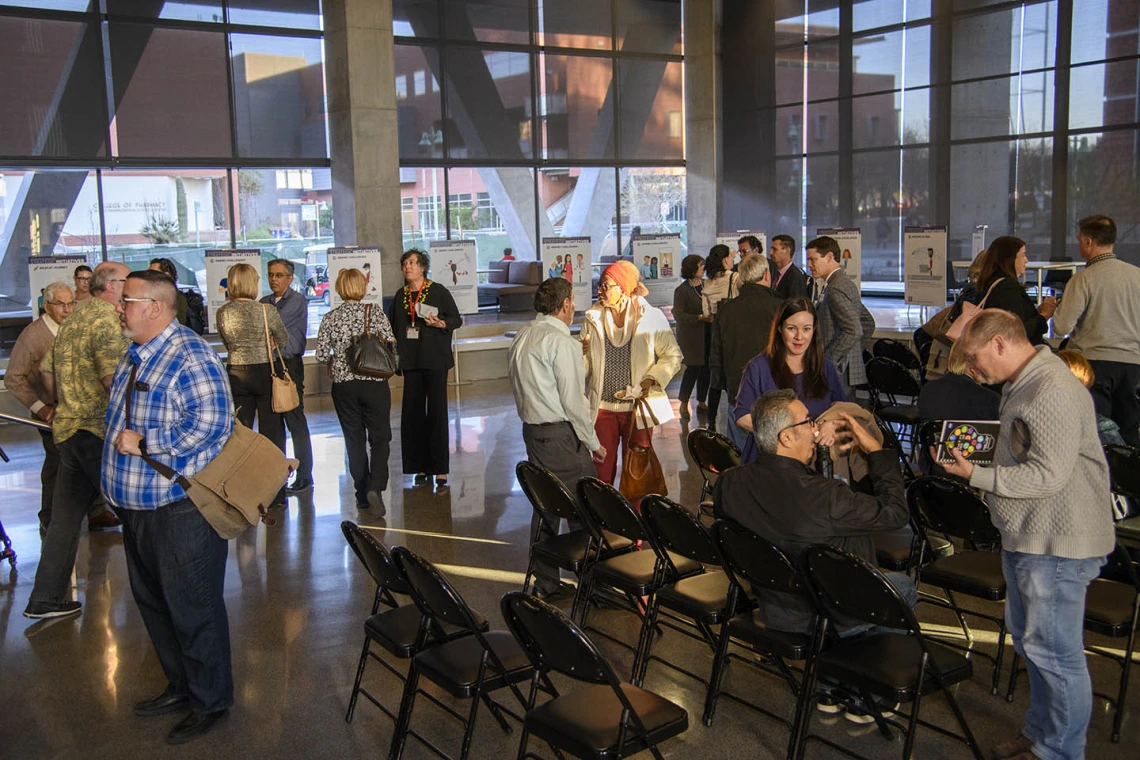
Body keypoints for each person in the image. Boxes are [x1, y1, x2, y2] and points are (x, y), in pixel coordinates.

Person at [938, 310, 1115, 760]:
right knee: (1034, 643)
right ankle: (1041, 735)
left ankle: (1059, 750)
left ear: (1000, 342)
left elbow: (1048, 476)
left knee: (1055, 652)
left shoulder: (1052, 388)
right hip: (1030, 535)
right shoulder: (1024, 382)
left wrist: (979, 476)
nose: (972, 371)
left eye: (976, 358)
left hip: (1058, 540)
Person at [714, 388, 915, 721]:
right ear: (788, 436)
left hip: (775, 605)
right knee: (901, 587)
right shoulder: (825, 498)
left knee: (834, 567)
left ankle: (831, 684)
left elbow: (788, 509)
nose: (816, 427)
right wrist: (877, 451)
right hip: (828, 614)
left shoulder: (730, 484)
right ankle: (869, 690)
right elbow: (895, 513)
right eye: (808, 422)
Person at [102, 269, 235, 746]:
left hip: (178, 509)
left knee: (192, 608)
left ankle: (211, 701)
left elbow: (212, 423)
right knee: (156, 605)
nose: (121, 308)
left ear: (155, 308)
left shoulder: (190, 354)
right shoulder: (136, 351)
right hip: (138, 508)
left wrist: (146, 443)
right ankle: (182, 686)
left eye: (128, 301)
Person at [23, 262, 130, 619]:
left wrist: (63, 403)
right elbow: (112, 381)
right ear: (112, 286)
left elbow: (46, 371)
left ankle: (46, 598)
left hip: (66, 431)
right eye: (127, 282)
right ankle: (159, 597)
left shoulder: (72, 323)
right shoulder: (105, 323)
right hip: (94, 432)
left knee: (64, 521)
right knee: (136, 514)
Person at [508, 278, 607, 598]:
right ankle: (594, 583)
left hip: (532, 433)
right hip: (560, 436)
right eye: (573, 300)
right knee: (585, 506)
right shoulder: (560, 342)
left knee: (546, 504)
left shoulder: (524, 335)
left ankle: (547, 581)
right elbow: (573, 401)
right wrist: (594, 443)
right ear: (565, 305)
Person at [4, 281, 119, 534]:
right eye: (60, 304)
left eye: (71, 303)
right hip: (52, 414)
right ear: (47, 306)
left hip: (86, 412)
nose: (67, 309)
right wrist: (41, 408)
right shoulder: (33, 336)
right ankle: (50, 517)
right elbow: (13, 377)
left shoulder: (78, 329)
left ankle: (97, 512)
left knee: (91, 459)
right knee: (57, 466)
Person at [582, 260, 681, 486]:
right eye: (600, 285)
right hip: (603, 408)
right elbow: (585, 364)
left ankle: (634, 518)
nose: (600, 290)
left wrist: (651, 378)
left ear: (623, 288)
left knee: (636, 472)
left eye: (606, 285)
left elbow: (672, 355)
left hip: (637, 408)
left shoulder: (650, 316)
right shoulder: (592, 317)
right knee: (601, 470)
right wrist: (580, 355)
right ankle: (602, 518)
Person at [1053, 214, 1140, 446]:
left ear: (1089, 242)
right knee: (1130, 434)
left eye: (1080, 238)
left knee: (1097, 434)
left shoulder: (1084, 279)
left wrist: (1055, 309)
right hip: (1133, 366)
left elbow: (1061, 327)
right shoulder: (1137, 275)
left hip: (1094, 365)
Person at [316, 268, 395, 513]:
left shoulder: (330, 317)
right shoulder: (375, 312)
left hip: (344, 386)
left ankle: (361, 494)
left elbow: (320, 354)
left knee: (355, 440)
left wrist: (335, 359)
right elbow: (391, 343)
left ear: (339, 288)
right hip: (374, 384)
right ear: (362, 288)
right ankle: (376, 486)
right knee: (380, 438)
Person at [733, 297, 847, 463]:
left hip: (814, 463)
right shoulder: (758, 367)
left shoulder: (826, 368)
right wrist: (787, 437)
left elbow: (843, 409)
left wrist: (832, 425)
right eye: (792, 328)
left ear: (814, 330)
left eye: (806, 329)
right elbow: (742, 415)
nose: (799, 337)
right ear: (779, 328)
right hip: (769, 464)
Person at [215, 263, 288, 506]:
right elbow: (283, 340)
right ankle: (277, 493)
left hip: (236, 372)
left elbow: (226, 342)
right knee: (272, 433)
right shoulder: (267, 311)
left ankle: (241, 490)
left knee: (240, 433)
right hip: (264, 372)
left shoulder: (223, 313)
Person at [389, 249, 462, 490]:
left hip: (434, 358)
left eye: (412, 263)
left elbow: (455, 319)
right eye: (404, 263)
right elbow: (393, 326)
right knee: (412, 414)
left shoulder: (438, 291)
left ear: (422, 268)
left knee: (437, 413)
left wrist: (441, 323)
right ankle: (419, 465)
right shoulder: (400, 296)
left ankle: (440, 467)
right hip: (410, 360)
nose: (407, 267)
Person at [710, 253, 782, 447]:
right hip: (774, 391)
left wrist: (720, 385)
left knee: (740, 453)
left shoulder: (726, 310)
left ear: (740, 277)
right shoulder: (779, 308)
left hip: (737, 390)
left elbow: (716, 353)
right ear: (767, 274)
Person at [260, 258, 315, 494]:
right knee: (273, 425)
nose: (274, 279)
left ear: (290, 278)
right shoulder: (264, 302)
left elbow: (274, 325)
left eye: (279, 275)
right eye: (271, 275)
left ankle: (304, 475)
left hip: (289, 366)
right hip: (267, 365)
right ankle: (276, 475)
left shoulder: (297, 301)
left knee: (295, 420)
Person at [807, 235, 866, 395]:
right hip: (843, 367)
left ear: (830, 257)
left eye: (813, 259)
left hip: (838, 369)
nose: (809, 265)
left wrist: (829, 360)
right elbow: (866, 322)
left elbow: (854, 330)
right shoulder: (839, 283)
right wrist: (853, 351)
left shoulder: (836, 287)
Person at [976, 235, 1056, 346]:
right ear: (1010, 259)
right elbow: (1018, 331)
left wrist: (1037, 312)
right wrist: (1044, 315)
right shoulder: (1007, 287)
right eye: (1023, 255)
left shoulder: (991, 281)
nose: (1026, 260)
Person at [673, 254, 710, 422]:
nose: (703, 268)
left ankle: (702, 401)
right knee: (693, 369)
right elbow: (679, 315)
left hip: (707, 334)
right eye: (700, 265)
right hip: (691, 337)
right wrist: (699, 318)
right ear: (691, 268)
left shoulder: (707, 285)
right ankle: (684, 402)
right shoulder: (682, 290)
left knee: (706, 370)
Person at [148, 258, 189, 328]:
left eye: (154, 273)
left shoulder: (177, 298)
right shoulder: (149, 296)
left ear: (167, 275)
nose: (149, 276)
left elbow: (178, 325)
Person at [769, 234, 810, 300]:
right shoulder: (774, 273)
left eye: (774, 249)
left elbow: (796, 305)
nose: (770, 252)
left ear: (787, 251)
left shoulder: (795, 277)